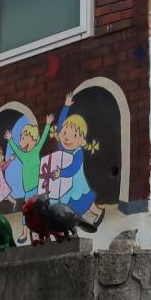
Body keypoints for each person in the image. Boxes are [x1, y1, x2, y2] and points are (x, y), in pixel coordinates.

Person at [47, 94, 104, 228]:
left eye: (73, 135)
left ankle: (99, 212)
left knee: (87, 202)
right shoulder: (63, 147)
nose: (67, 138)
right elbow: (60, 124)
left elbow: (74, 168)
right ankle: (76, 220)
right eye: (65, 133)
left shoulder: (78, 152)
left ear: (81, 140)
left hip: (78, 184)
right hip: (67, 185)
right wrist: (66, 106)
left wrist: (61, 173)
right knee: (71, 204)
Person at [7, 112, 55, 201]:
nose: (20, 143)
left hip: (38, 186)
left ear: (33, 139)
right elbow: (16, 149)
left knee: (41, 203)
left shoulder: (36, 150)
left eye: (23, 138)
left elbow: (43, 139)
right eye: (21, 138)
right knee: (29, 206)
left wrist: (48, 124)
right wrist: (10, 139)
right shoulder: (23, 156)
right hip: (28, 190)